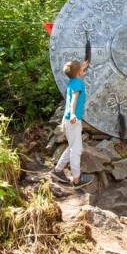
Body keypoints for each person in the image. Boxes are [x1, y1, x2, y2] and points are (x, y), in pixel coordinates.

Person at [51, 59, 94, 188]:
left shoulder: (72, 82)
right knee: (76, 150)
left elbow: (74, 71)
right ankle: (76, 179)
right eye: (81, 69)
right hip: (73, 120)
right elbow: (74, 99)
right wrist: (73, 113)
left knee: (72, 147)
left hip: (68, 120)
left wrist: (81, 67)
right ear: (80, 73)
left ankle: (57, 170)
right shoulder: (79, 84)